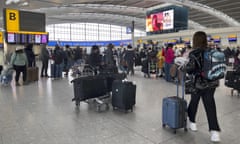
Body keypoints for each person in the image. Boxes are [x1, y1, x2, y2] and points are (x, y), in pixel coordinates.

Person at [186, 31, 221, 142]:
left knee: (194, 102)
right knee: (210, 106)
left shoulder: (194, 53)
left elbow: (191, 69)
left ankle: (192, 122)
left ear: (195, 40)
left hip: (198, 83)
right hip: (212, 83)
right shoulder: (213, 51)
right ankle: (214, 132)